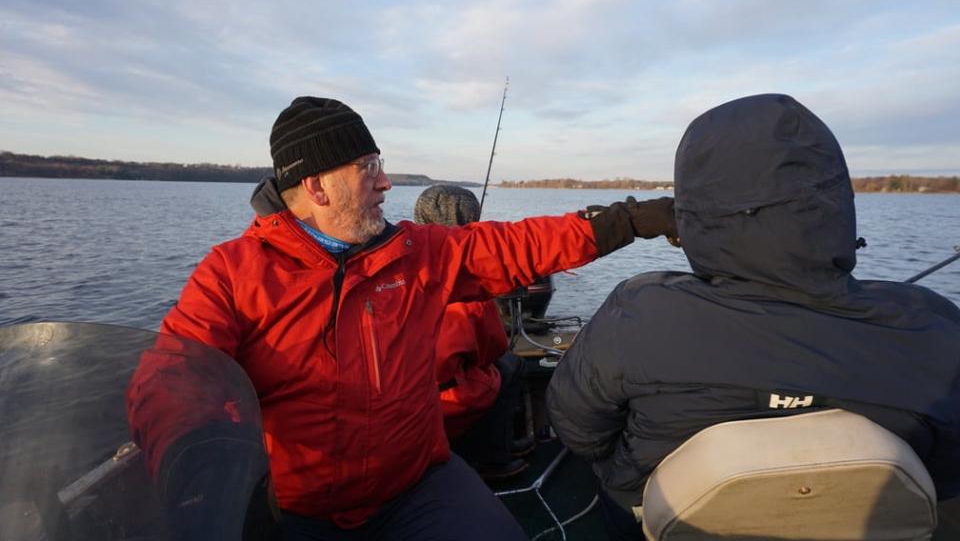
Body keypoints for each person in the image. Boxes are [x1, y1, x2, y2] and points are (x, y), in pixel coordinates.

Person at [130, 96, 678, 540]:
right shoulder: (234, 272)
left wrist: (628, 219)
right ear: (317, 185)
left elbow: (515, 246)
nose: (386, 182)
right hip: (297, 511)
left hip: (416, 486)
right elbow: (174, 374)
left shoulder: (415, 252)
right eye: (368, 168)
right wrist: (190, 459)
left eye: (380, 166)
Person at [546, 93, 960, 540]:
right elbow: (948, 468)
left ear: (694, 213)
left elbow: (578, 430)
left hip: (656, 516)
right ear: (836, 202)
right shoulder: (931, 323)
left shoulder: (639, 309)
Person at [414, 185, 530, 480]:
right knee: (509, 366)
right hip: (443, 399)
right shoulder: (468, 289)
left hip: (402, 397)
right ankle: (494, 459)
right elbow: (493, 346)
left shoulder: (393, 267)